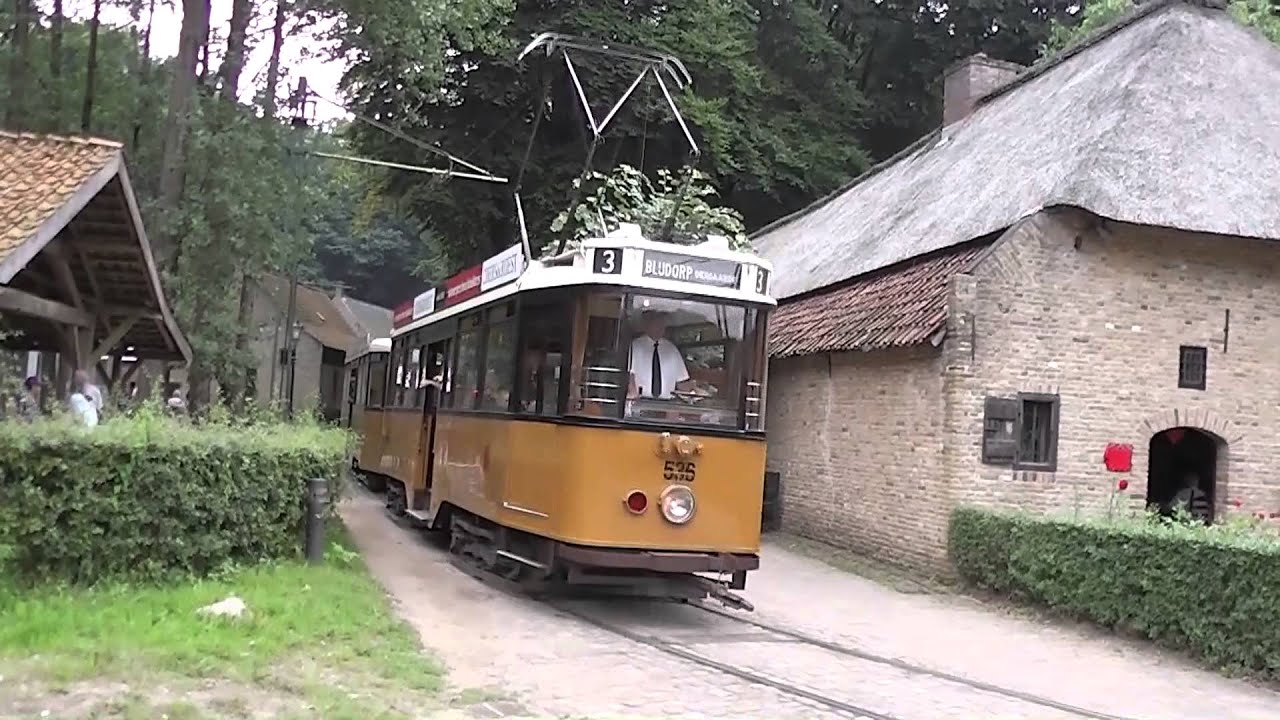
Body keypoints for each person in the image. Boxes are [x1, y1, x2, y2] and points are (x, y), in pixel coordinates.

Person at [627, 310, 693, 400]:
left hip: (666, 404)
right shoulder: (635, 346)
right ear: (646, 324)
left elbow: (682, 382)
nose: (660, 326)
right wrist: (632, 394)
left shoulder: (672, 350)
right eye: (656, 322)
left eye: (662, 323)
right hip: (640, 403)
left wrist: (694, 389)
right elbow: (629, 376)